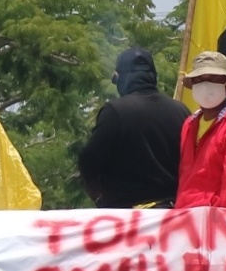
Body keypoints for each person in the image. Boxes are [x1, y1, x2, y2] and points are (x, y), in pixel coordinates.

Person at [78, 47, 188, 208]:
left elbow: (88, 160)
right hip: (175, 215)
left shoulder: (115, 111)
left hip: (129, 218)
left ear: (121, 78)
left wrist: (99, 197)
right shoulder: (181, 110)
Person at [173, 51, 226, 209]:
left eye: (214, 78)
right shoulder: (190, 124)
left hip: (219, 224)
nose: (206, 84)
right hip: (187, 222)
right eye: (198, 79)